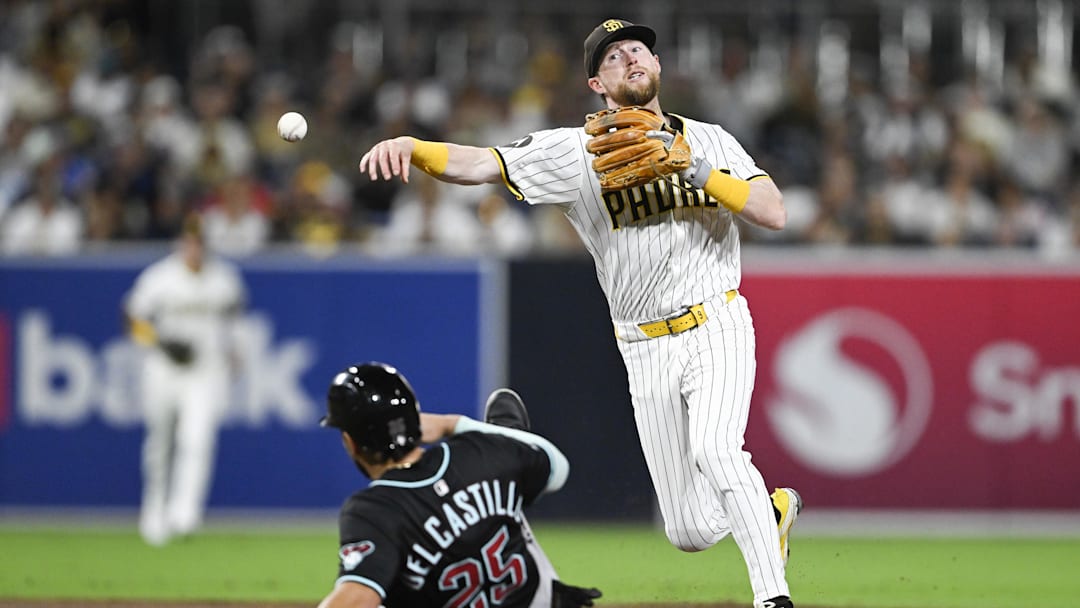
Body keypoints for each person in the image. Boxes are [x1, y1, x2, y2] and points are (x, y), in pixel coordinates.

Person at [358, 18, 802, 608]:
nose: (630, 58)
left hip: (715, 320)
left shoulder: (710, 139)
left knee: (720, 452)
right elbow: (480, 164)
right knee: (689, 531)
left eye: (638, 49)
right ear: (597, 82)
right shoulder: (573, 153)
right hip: (642, 344)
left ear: (659, 66)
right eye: (614, 56)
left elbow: (773, 210)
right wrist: (413, 148)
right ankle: (767, 511)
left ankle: (773, 598)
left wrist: (692, 165)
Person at [316, 362, 602, 608]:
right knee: (506, 496)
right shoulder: (476, 453)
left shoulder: (375, 509)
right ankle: (510, 437)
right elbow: (558, 469)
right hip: (537, 600)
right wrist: (453, 424)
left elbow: (357, 596)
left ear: (351, 443)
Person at [123, 213, 248, 546]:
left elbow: (235, 321)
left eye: (199, 241)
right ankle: (154, 511)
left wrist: (235, 354)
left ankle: (185, 513)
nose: (194, 247)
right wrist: (159, 342)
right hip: (164, 368)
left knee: (198, 440)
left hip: (206, 371)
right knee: (159, 442)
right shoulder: (160, 277)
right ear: (180, 243)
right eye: (189, 241)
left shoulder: (225, 278)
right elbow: (133, 318)